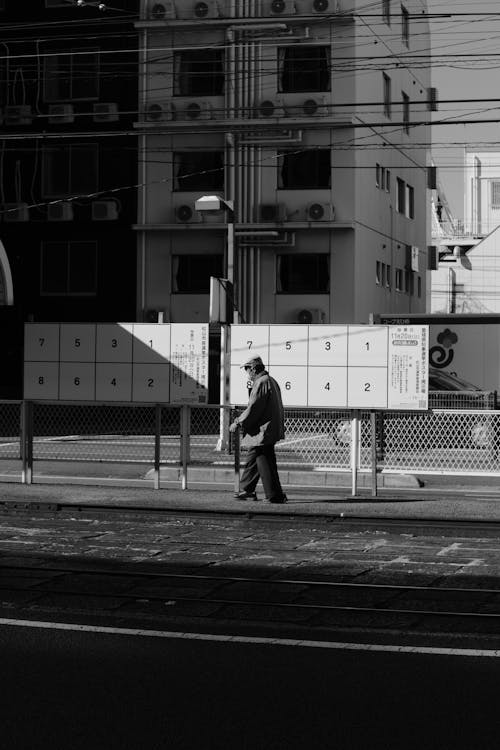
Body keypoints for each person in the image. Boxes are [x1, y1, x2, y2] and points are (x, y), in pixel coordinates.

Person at [229, 355, 287, 504]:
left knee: (262, 458)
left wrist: (238, 422)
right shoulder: (271, 381)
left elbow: (254, 407)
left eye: (248, 369)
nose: (247, 373)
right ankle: (249, 489)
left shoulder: (261, 382)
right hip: (269, 428)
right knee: (255, 458)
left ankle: (273, 495)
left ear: (254, 368)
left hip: (262, 430)